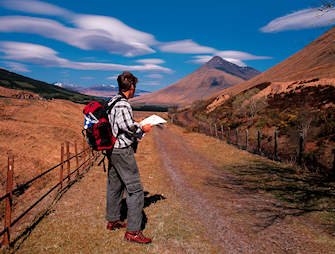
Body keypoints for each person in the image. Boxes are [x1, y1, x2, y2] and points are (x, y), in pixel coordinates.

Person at [106, 71, 152, 244]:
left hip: (111, 149)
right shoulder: (124, 104)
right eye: (135, 87)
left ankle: (113, 220)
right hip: (122, 150)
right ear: (131, 87)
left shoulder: (112, 101)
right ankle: (133, 231)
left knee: (115, 185)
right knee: (135, 190)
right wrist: (142, 129)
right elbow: (127, 126)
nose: (135, 90)